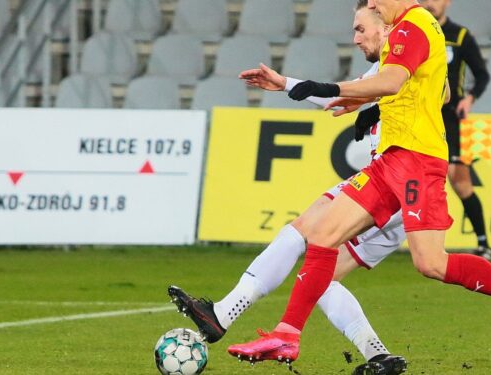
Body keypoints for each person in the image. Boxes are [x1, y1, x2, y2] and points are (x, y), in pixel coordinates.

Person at [230, 0, 491, 367]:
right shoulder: (415, 29)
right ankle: (286, 335)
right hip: (391, 160)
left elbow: (390, 80)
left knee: (431, 263)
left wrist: (325, 87)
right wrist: (306, 88)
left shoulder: (413, 24)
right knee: (323, 235)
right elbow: (440, 90)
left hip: (418, 161)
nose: (371, 3)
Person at [169, 4, 408, 374]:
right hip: (398, 188)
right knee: (319, 275)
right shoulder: (388, 67)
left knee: (303, 233)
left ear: (385, 25)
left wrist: (373, 105)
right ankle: (378, 355)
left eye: (361, 29)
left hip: (397, 182)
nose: (356, 38)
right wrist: (285, 84)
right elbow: (341, 98)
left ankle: (223, 315)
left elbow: (433, 93)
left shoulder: (407, 60)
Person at [421, 0, 491, 261]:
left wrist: (469, 98)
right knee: (417, 179)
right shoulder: (415, 32)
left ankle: (484, 243)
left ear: (446, 2)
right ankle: (422, 243)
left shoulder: (459, 36)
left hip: (450, 119)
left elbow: (482, 75)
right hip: (420, 116)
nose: (429, 3)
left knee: (459, 181)